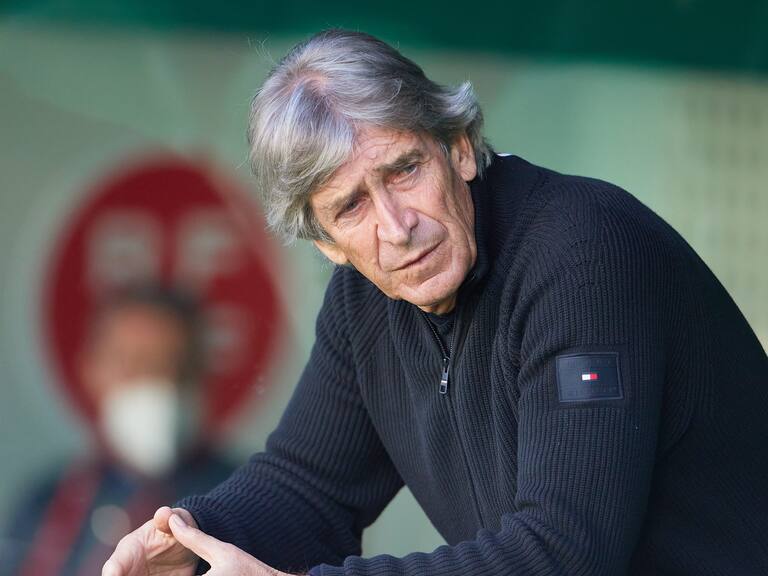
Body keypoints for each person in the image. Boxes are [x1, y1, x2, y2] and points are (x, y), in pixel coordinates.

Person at [103, 29, 768, 576]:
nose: (397, 227)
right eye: (351, 207)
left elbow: (567, 553)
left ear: (458, 149)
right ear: (325, 241)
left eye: (404, 170)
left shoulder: (583, 254)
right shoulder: (364, 302)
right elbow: (309, 489)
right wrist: (190, 540)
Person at [2, 286, 233, 576]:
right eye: (134, 363)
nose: (157, 381)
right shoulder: (47, 506)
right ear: (92, 371)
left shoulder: (241, 498)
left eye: (176, 365)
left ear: (201, 374)